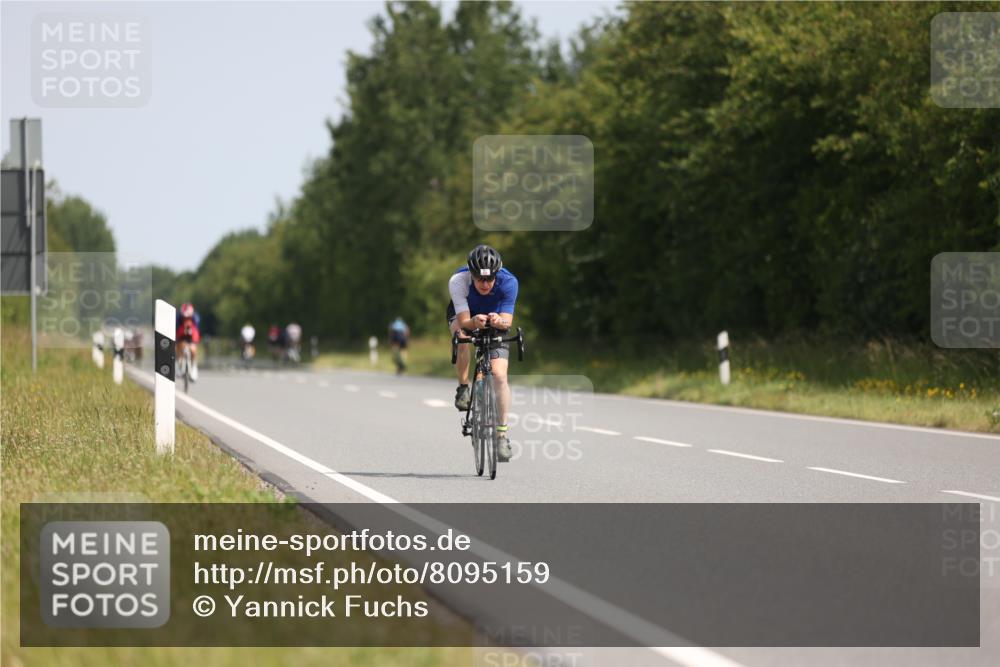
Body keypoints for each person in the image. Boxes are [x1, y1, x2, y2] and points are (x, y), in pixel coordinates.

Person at [447, 244, 518, 462]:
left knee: (499, 375)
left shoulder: (509, 282)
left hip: (495, 318)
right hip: (467, 316)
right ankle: (463, 388)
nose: (485, 284)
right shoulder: (458, 281)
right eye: (480, 279)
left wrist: (500, 321)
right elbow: (464, 321)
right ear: (471, 274)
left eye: (489, 280)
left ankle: (502, 435)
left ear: (497, 275)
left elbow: (508, 322)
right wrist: (473, 322)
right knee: (463, 338)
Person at [176, 302, 201, 381]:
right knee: (180, 348)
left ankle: (193, 367)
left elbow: (196, 333)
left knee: (193, 350)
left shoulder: (195, 318)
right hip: (181, 336)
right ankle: (178, 364)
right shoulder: (178, 318)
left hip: (192, 336)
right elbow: (177, 331)